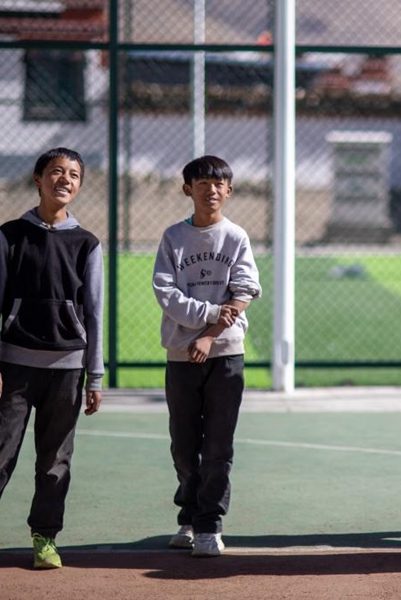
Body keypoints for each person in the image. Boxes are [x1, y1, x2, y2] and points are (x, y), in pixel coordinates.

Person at [0, 148, 104, 571]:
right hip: (15, 368)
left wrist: (94, 376)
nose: (65, 179)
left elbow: (94, 313)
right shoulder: (9, 234)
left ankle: (45, 539)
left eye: (74, 174)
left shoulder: (87, 243)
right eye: (56, 172)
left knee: (55, 460)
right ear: (38, 179)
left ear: (78, 185)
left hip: (67, 370)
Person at [152, 155, 261, 558]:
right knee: (183, 443)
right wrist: (212, 315)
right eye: (202, 183)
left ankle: (209, 524)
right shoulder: (173, 238)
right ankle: (189, 515)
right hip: (181, 356)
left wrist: (211, 336)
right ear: (188, 189)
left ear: (228, 191)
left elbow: (245, 290)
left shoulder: (236, 237)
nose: (211, 190)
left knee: (218, 444)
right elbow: (167, 295)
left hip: (225, 354)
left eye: (219, 184)